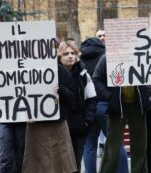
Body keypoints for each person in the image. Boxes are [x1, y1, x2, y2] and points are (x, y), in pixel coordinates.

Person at [92, 54, 151, 173]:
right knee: (112, 144)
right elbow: (96, 79)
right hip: (117, 105)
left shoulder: (142, 54)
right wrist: (108, 96)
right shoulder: (107, 57)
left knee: (140, 145)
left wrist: (150, 87)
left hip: (138, 104)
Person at [81, 29, 129, 173]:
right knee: (116, 142)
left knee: (89, 144)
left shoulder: (79, 59)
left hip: (87, 106)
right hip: (104, 104)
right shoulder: (106, 56)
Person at [22, 57, 77, 173]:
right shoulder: (26, 70)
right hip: (36, 125)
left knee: (61, 163)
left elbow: (72, 97)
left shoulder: (61, 71)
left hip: (58, 125)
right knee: (39, 164)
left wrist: (61, 90)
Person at [58, 40, 97, 172]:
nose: (70, 56)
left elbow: (92, 98)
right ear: (59, 56)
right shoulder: (51, 74)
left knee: (75, 164)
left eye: (73, 53)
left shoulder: (83, 74)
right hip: (58, 125)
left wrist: (86, 121)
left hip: (78, 126)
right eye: (66, 54)